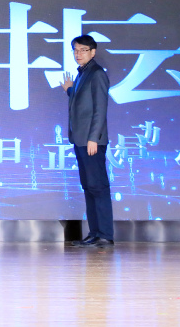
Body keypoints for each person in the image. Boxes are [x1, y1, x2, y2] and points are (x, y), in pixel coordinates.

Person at [61, 35, 114, 247]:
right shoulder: (83, 73)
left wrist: (94, 138)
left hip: (92, 141)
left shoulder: (97, 73)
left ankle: (105, 234)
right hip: (80, 139)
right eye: (75, 50)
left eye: (83, 50)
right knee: (89, 186)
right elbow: (83, 104)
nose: (78, 54)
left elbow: (100, 109)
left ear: (93, 52)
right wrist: (70, 90)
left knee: (98, 187)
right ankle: (94, 233)